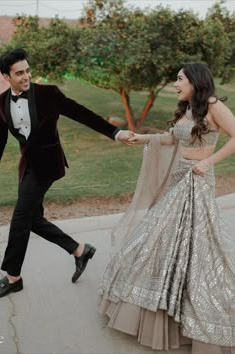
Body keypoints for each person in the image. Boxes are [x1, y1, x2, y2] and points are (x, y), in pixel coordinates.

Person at [98, 63, 235, 354]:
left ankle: (195, 309)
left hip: (197, 181)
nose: (175, 84)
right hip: (178, 177)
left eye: (179, 79)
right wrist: (141, 138)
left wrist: (207, 162)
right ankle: (163, 300)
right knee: (161, 239)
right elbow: (173, 137)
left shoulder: (212, 105)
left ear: (195, 81)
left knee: (197, 246)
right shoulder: (189, 107)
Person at [0, 47, 133, 298]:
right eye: (19, 73)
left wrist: (115, 133)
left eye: (28, 70)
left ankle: (13, 277)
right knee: (32, 219)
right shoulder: (1, 104)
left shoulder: (48, 94)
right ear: (7, 76)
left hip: (48, 165)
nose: (26, 76)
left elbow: (82, 113)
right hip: (27, 166)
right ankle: (80, 251)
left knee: (19, 218)